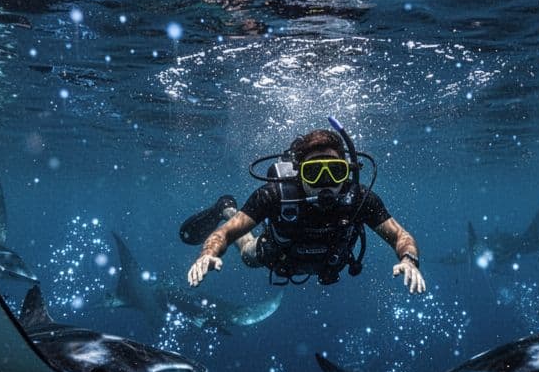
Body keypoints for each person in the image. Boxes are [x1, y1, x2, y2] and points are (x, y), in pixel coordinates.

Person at [180, 122, 426, 293]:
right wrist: (208, 255)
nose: (326, 183)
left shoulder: (360, 199)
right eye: (314, 173)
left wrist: (408, 260)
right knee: (247, 255)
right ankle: (227, 209)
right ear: (300, 175)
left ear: (347, 171)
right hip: (278, 253)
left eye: (336, 171)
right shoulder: (274, 195)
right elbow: (225, 234)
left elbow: (399, 235)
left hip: (328, 261)